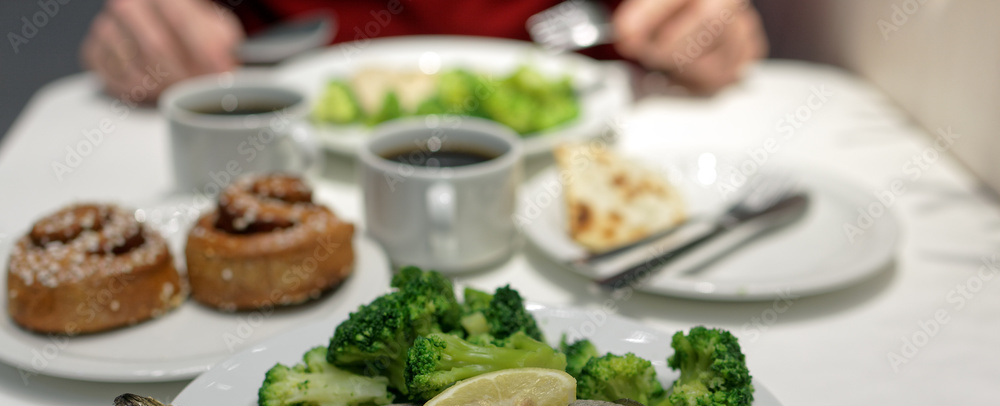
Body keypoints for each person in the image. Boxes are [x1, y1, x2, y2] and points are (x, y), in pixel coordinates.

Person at [81, 0, 767, 101]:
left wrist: (706, 27)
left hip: (591, 158)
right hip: (277, 134)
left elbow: (705, 22)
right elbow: (159, 24)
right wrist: (147, 34)